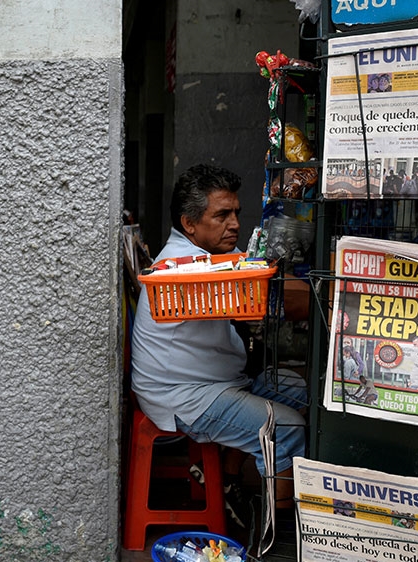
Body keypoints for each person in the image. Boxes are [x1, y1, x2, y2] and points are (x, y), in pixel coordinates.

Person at [131, 164, 307, 528]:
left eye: (236, 214)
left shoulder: (214, 259)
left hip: (219, 382)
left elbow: (256, 274)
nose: (235, 224)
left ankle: (225, 480)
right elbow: (272, 292)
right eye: (222, 215)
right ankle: (276, 536)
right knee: (286, 428)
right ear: (189, 223)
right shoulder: (183, 268)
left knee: (298, 389)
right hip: (183, 396)